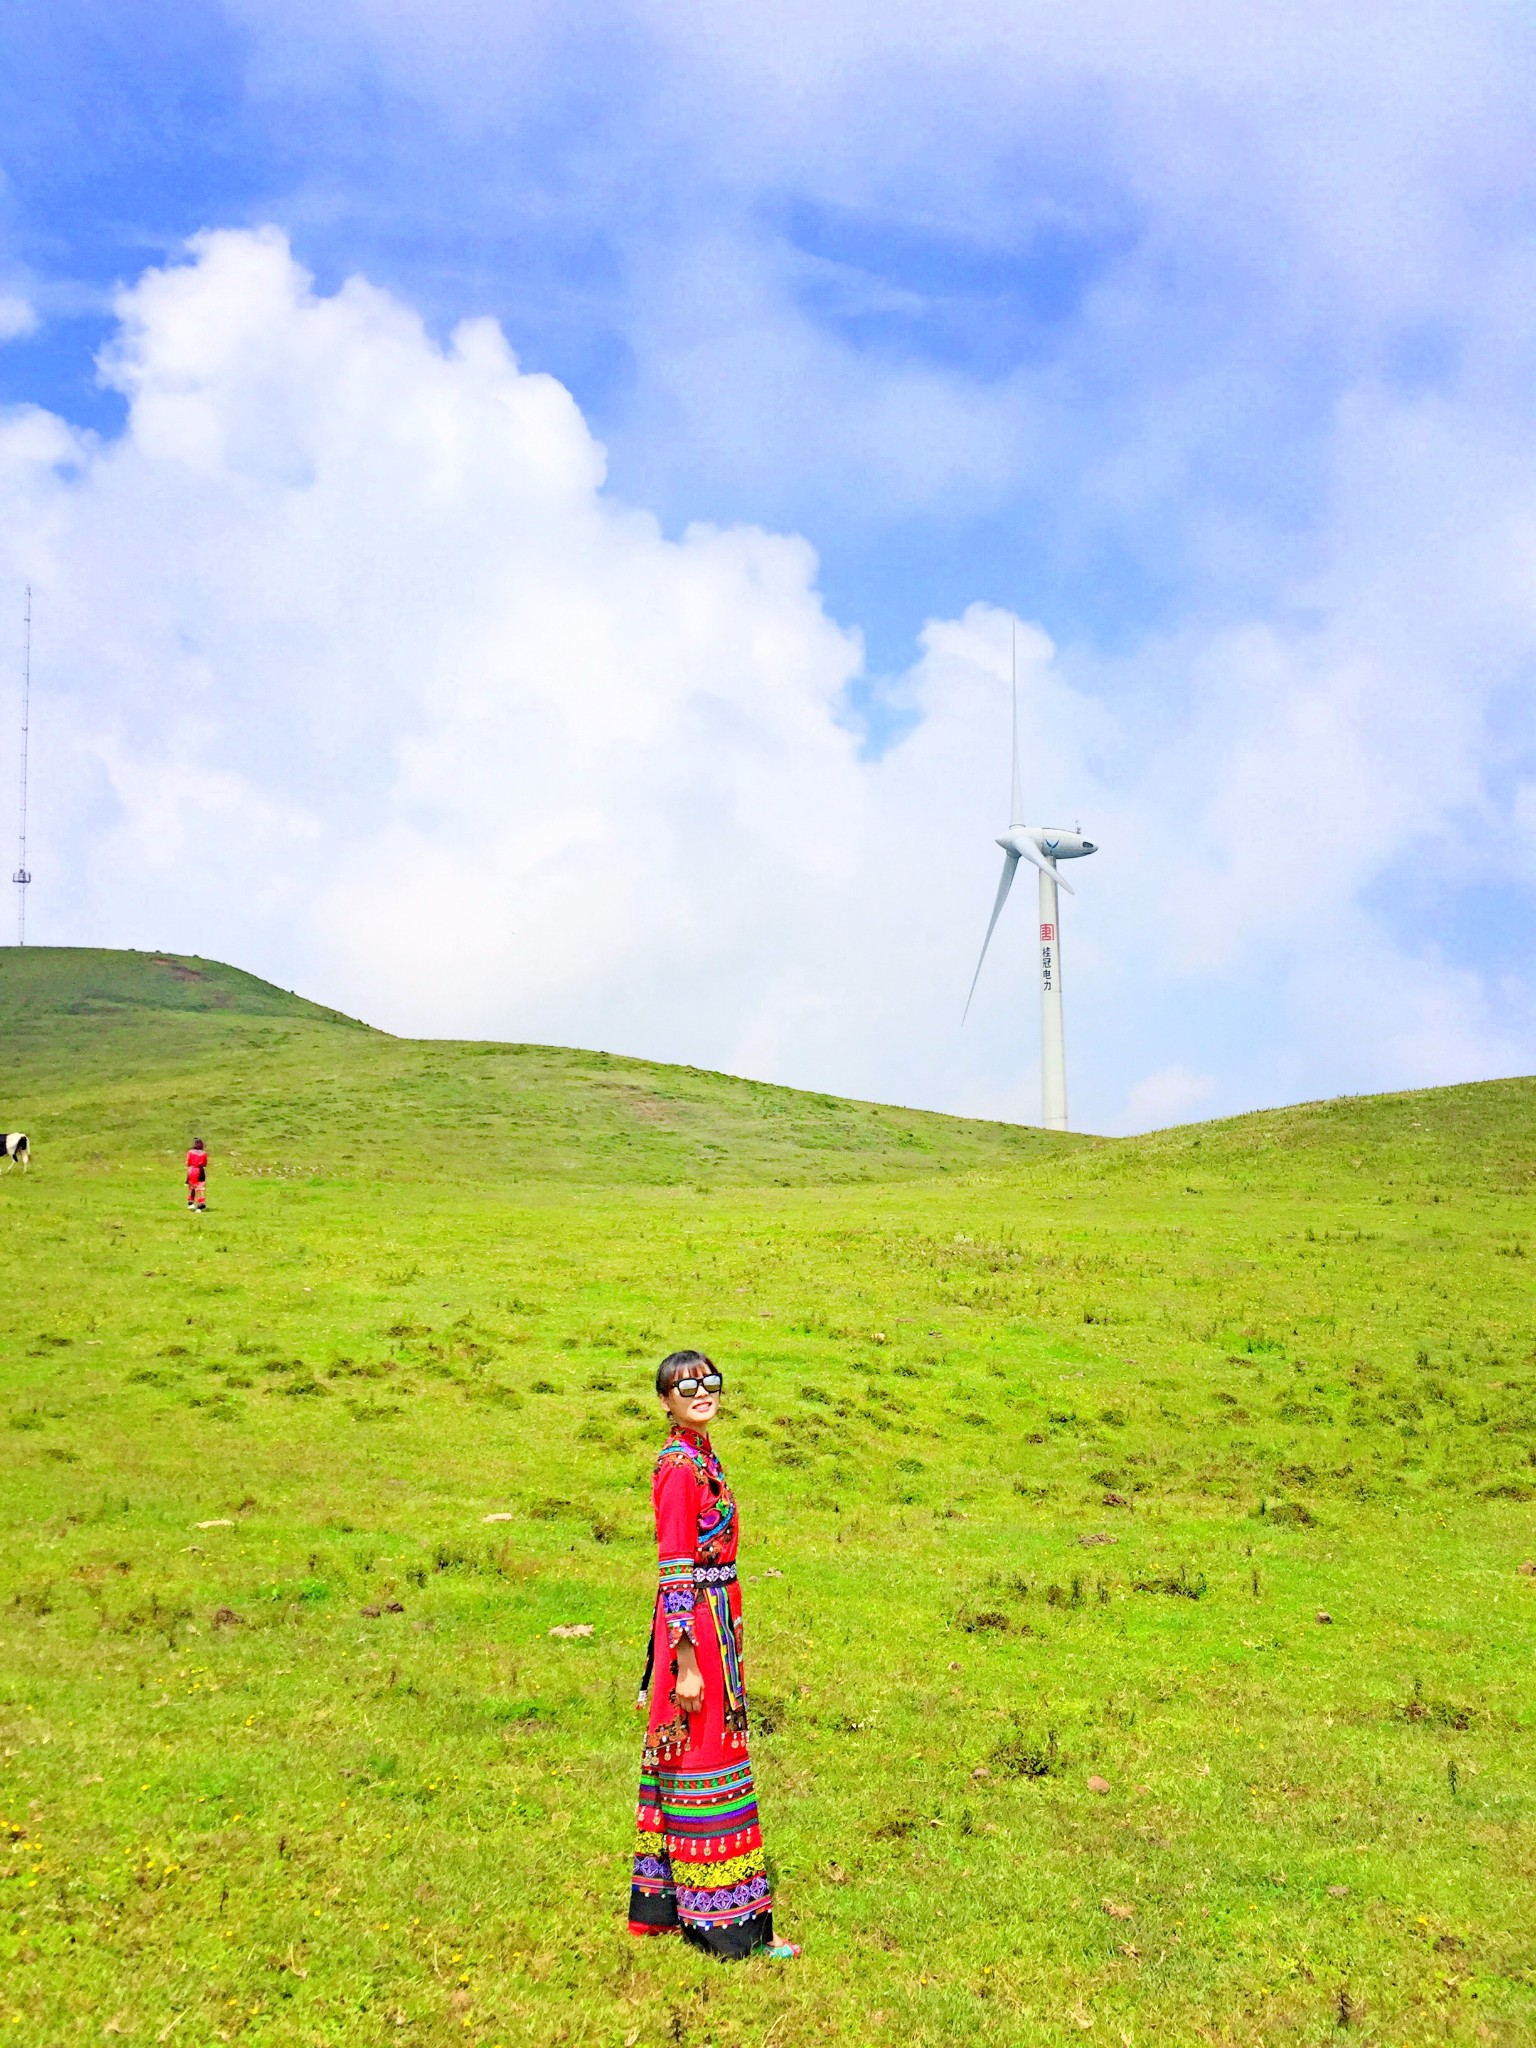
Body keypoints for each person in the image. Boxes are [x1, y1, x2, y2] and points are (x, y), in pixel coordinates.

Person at [628, 1349, 796, 1960]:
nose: (702, 1392)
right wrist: (688, 1662)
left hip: (718, 1623)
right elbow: (675, 1567)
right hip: (695, 1628)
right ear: (665, 1402)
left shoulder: (702, 1455)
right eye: (685, 1386)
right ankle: (729, 1934)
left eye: (710, 1382)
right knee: (703, 1763)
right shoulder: (678, 1467)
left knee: (711, 1761)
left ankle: (694, 1914)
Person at [186, 1138, 208, 1212]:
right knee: (200, 1187)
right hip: (200, 1170)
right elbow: (205, 1164)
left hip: (192, 1170)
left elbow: (188, 1162)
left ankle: (190, 1202)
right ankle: (200, 1204)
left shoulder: (190, 1152)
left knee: (191, 1186)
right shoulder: (204, 1153)